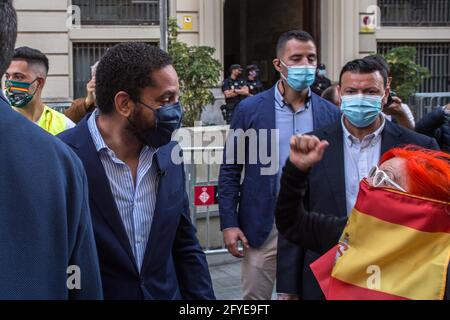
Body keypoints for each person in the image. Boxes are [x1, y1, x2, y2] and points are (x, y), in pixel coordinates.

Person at [58, 42, 215, 300]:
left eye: (177, 98)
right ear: (124, 104)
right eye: (165, 99)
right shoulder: (63, 156)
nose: (177, 110)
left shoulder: (169, 154)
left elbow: (185, 246)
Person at [284, 57, 439, 300]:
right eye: (351, 91)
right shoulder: (313, 145)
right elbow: (294, 218)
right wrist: (288, 286)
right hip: (327, 271)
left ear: (385, 93)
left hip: (399, 275)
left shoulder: (419, 146)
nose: (360, 98)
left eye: (370, 91)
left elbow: (437, 218)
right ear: (339, 93)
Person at [218, 30, 340, 300]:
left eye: (311, 58)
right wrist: (229, 222)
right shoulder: (249, 110)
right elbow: (230, 168)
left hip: (311, 224)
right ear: (278, 64)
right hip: (262, 223)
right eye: (296, 58)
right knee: (254, 299)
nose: (306, 65)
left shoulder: (330, 113)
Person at [0, 0, 102, 299]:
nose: (11, 85)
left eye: (19, 79)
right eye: (9, 78)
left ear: (39, 82)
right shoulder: (59, 160)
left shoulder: (63, 151)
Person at [275, 136, 450, 299]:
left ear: (417, 201)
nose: (369, 183)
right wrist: (296, 170)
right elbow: (291, 222)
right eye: (374, 173)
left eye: (383, 178)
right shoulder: (352, 233)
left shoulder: (442, 262)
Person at [4, 46, 75, 135]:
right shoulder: (3, 121)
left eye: (18, 77)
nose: (9, 83)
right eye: (7, 77)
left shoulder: (65, 126)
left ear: (39, 83)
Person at [365, 54, 415, 130]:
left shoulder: (398, 108)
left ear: (388, 81)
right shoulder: (352, 106)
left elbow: (412, 137)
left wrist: (400, 115)